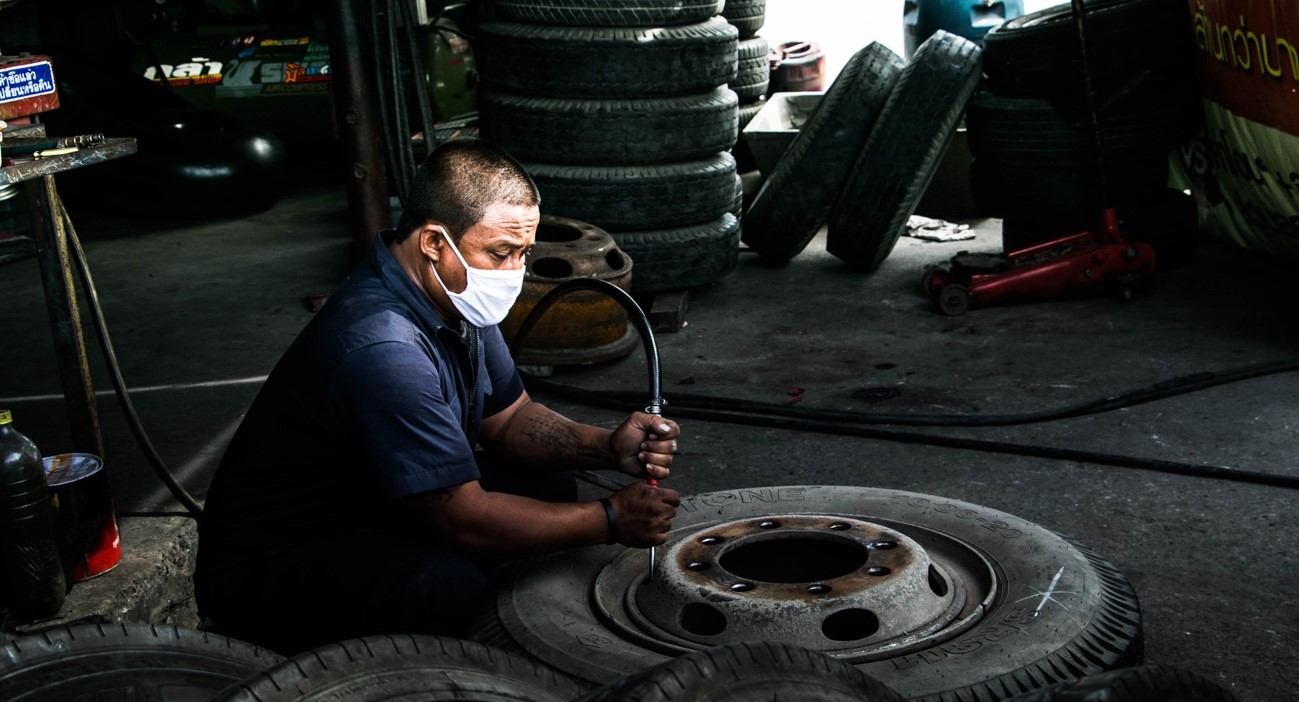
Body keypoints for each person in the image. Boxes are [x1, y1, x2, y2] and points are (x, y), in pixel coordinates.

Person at [194, 138, 681, 654]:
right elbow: (462, 519)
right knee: (446, 587)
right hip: (274, 567)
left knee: (550, 483)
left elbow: (510, 418)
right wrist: (610, 519)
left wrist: (607, 446)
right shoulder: (383, 349)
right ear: (433, 242)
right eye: (500, 252)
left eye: (523, 252)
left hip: (364, 503)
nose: (514, 271)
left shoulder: (454, 294)